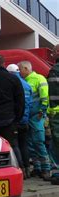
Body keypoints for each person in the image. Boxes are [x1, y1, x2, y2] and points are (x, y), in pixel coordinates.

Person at [18, 60, 51, 181]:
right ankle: (37, 168)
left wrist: (42, 112)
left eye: (20, 69)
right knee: (30, 144)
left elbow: (44, 96)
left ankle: (46, 169)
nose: (19, 72)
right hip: (28, 117)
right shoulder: (24, 81)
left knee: (38, 142)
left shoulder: (39, 78)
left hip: (37, 116)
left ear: (26, 69)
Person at [6, 63, 33, 178]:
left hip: (15, 120)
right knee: (24, 145)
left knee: (15, 145)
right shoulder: (27, 85)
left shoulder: (11, 84)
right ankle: (28, 168)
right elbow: (30, 103)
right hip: (25, 120)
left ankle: (21, 169)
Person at [47, 46, 59, 185]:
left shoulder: (55, 70)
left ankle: (57, 174)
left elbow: (53, 96)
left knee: (56, 143)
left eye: (54, 52)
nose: (52, 54)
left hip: (57, 114)